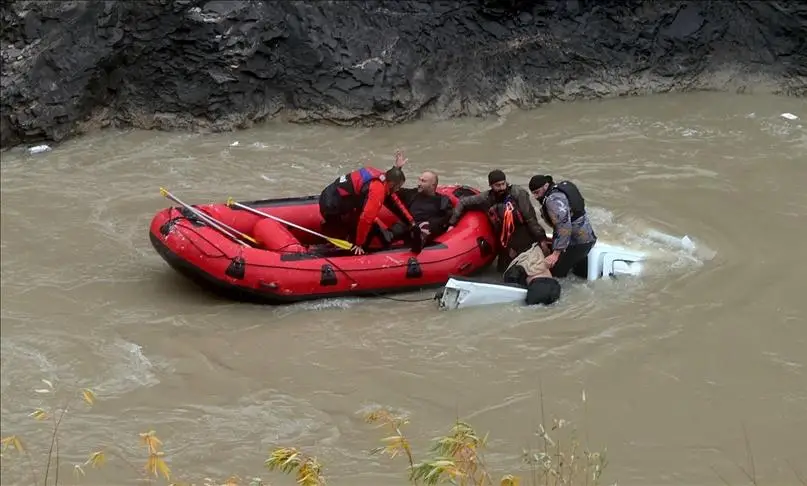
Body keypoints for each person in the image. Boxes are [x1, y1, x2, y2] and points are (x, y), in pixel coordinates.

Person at [446, 169, 548, 271]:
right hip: (504, 239)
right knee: (502, 270)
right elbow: (463, 202)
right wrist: (452, 224)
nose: (501, 188)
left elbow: (530, 219)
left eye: (503, 184)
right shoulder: (486, 197)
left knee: (527, 267)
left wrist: (542, 240)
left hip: (523, 233)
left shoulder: (518, 193)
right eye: (497, 185)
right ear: (491, 186)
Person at [319, 151, 414, 255]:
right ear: (391, 184)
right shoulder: (377, 190)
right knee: (349, 234)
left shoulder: (380, 176)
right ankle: (335, 243)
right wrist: (359, 243)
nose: (398, 190)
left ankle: (333, 229)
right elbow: (366, 219)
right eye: (398, 187)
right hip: (332, 206)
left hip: (330, 194)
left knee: (356, 218)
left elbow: (394, 200)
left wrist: (411, 222)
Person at [528, 174, 597, 278]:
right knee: (578, 272)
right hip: (587, 238)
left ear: (546, 186)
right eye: (533, 194)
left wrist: (556, 254)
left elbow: (564, 225)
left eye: (537, 192)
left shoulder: (553, 200)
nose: (535, 197)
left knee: (555, 273)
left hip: (576, 243)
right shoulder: (559, 190)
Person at [386, 170, 454, 252]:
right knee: (399, 227)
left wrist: (430, 224)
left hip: (423, 228)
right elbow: (393, 189)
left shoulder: (442, 200)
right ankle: (384, 238)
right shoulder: (413, 193)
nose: (419, 183)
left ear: (433, 185)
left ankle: (419, 241)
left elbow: (446, 218)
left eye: (423, 181)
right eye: (419, 180)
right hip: (409, 224)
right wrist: (397, 169)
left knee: (426, 227)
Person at [501, 230, 561, 306]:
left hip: (538, 288)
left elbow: (510, 284)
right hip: (555, 286)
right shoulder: (538, 251)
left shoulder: (519, 263)